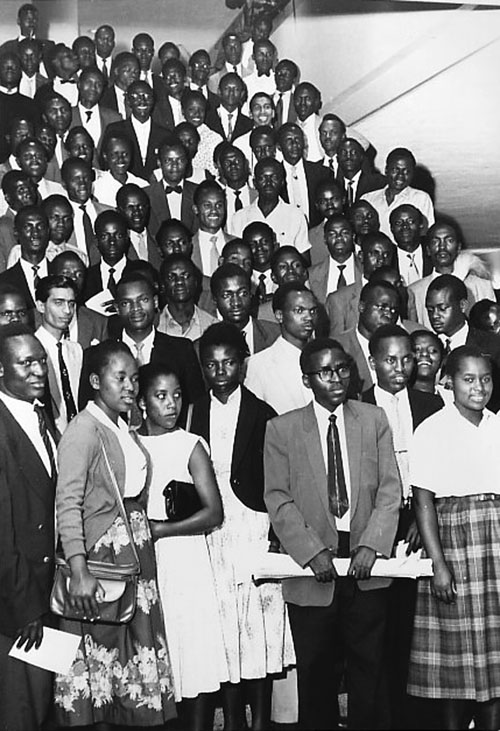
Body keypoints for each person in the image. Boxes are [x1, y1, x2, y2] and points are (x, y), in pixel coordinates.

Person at [264, 337, 401, 730]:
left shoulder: (372, 420)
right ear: (307, 380)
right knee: (316, 672)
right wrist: (311, 551)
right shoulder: (282, 429)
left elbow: (390, 489)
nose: (336, 378)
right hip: (313, 568)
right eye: (325, 372)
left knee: (369, 670)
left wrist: (371, 544)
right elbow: (278, 498)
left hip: (365, 563)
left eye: (342, 368)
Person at [53, 339, 177, 726]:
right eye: (119, 377)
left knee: (129, 679)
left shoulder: (121, 425)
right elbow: (67, 503)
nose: (129, 386)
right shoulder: (84, 429)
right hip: (102, 565)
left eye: (134, 378)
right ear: (94, 380)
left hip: (133, 562)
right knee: (99, 680)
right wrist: (80, 570)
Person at [191, 322, 295, 731]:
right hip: (210, 530)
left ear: (243, 365)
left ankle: (260, 721)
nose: (220, 371)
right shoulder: (193, 409)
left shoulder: (262, 413)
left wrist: (274, 532)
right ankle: (232, 719)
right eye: (211, 364)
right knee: (225, 630)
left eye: (229, 362)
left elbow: (274, 481)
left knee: (257, 632)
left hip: (251, 525)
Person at [408, 345, 500, 731]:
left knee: (496, 660)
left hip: (495, 539)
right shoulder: (433, 429)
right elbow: (424, 502)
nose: (478, 387)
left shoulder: (497, 425)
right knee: (456, 661)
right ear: (448, 381)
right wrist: (438, 565)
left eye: (485, 379)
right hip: (456, 542)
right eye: (468, 379)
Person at [362, 324, 443, 729]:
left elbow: (441, 472)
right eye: (390, 360)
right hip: (376, 529)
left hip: (419, 527)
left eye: (407, 359)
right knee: (377, 632)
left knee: (416, 634)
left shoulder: (430, 405)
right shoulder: (356, 407)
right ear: (372, 361)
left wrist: (420, 519)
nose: (401, 368)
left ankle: (418, 717)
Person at [137, 362, 226, 731]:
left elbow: (213, 513)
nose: (171, 404)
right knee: (161, 651)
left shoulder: (190, 445)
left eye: (176, 395)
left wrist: (163, 529)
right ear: (142, 403)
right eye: (160, 396)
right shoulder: (129, 443)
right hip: (147, 562)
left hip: (186, 559)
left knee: (195, 650)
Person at [0, 323, 56, 731]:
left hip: (45, 592)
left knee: (43, 710)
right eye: (26, 363)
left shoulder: (40, 416)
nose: (38, 370)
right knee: (21, 714)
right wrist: (26, 608)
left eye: (41, 360)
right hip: (17, 605)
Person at [425, 274, 500, 411]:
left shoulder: (492, 346)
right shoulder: (426, 346)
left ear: (462, 305)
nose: (435, 316)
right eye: (430, 310)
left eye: (442, 308)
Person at [245, 282, 318, 414]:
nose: (309, 317)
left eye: (312, 311)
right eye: (299, 311)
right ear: (279, 315)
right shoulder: (259, 365)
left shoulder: (323, 357)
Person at [408, 219, 495, 329]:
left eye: (449, 241)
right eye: (435, 242)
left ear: (458, 247)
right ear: (428, 250)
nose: (442, 247)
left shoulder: (481, 286)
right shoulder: (414, 292)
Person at [229, 157, 310, 259]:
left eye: (274, 178)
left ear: (282, 182)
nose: (268, 183)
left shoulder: (296, 215)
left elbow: (304, 260)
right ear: (254, 183)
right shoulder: (239, 218)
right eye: (263, 178)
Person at [35, 274, 82, 435]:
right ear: (41, 306)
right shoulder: (33, 350)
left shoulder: (75, 350)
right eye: (58, 303)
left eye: (71, 303)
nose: (67, 311)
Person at [326, 232, 396, 337]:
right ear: (361, 256)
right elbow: (338, 341)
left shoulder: (401, 293)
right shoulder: (339, 300)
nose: (381, 260)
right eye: (374, 254)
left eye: (386, 255)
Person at [336, 280, 401, 393]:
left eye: (393, 310)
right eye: (382, 308)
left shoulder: (400, 347)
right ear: (361, 307)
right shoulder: (339, 347)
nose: (389, 315)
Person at [103, 80, 171, 180]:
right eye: (136, 97)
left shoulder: (165, 134)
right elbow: (105, 163)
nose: (142, 101)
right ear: (128, 101)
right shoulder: (115, 130)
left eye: (147, 96)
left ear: (153, 100)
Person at [361, 147, 435, 240]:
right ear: (386, 170)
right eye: (395, 170)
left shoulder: (421, 198)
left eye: (406, 171)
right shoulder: (368, 199)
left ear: (413, 174)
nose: (400, 176)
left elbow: (426, 235)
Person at [210, 263, 280, 354]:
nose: (236, 303)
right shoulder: (205, 344)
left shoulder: (276, 335)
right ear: (214, 299)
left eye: (243, 293)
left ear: (251, 294)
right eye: (227, 295)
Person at [0, 204, 51, 326]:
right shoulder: (3, 281)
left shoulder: (61, 274)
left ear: (48, 231)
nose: (35, 233)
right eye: (28, 227)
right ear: (16, 233)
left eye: (40, 226)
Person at [48, 250, 109, 349]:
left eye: (79, 274)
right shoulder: (35, 320)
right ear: (52, 276)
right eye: (66, 273)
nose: (73, 279)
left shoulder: (99, 322)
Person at [278, 122, 333, 229]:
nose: (294, 144)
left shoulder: (321, 172)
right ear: (279, 146)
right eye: (289, 140)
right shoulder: (275, 177)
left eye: (298, 139)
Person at [145, 136, 198, 238]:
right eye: (168, 160)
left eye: (180, 160)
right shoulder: (146, 195)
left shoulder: (198, 193)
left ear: (187, 162)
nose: (175, 165)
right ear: (159, 163)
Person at [60, 157, 110, 265]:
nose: (82, 183)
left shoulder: (109, 213)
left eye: (86, 178)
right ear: (64, 184)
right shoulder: (60, 221)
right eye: (75, 179)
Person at [158, 253, 217, 340]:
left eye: (185, 276)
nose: (179, 282)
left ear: (196, 282)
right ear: (162, 285)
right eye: (171, 277)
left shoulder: (213, 326)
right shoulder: (153, 327)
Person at [308, 214, 364, 304]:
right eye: (332, 234)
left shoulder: (364, 270)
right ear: (325, 239)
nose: (339, 238)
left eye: (344, 233)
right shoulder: (311, 276)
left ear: (353, 237)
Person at [71, 67, 121, 155]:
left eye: (98, 84)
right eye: (89, 83)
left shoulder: (114, 118)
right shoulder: (67, 116)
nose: (93, 88)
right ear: (79, 84)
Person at [191, 180, 232, 276]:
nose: (214, 211)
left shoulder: (236, 244)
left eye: (219, 205)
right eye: (207, 205)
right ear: (196, 209)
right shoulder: (188, 248)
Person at [116, 183, 162, 270]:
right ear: (119, 211)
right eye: (130, 207)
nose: (137, 212)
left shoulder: (159, 240)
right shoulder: (115, 245)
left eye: (141, 206)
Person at [0, 170, 38, 271]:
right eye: (21, 191)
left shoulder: (39, 218)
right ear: (8, 198)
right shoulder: (5, 227)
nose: (28, 194)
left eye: (30, 188)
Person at [181, 89, 224, 177]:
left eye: (201, 109)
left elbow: (216, 172)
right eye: (191, 109)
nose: (197, 113)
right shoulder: (176, 134)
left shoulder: (214, 139)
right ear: (183, 111)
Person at [389, 204, 432, 286]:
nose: (405, 226)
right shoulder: (388, 259)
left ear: (421, 224)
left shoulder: (432, 252)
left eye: (410, 221)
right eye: (398, 223)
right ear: (392, 228)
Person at [337, 137, 385, 208]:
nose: (348, 157)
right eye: (344, 153)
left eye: (353, 153)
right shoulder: (334, 185)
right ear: (337, 158)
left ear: (361, 157)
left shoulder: (378, 183)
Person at [206, 73, 253, 143]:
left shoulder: (249, 124)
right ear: (219, 92)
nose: (231, 93)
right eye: (227, 88)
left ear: (242, 94)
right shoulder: (207, 120)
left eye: (236, 89)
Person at [308, 179, 345, 266]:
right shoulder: (311, 236)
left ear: (343, 200)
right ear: (316, 205)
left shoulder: (354, 228)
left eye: (334, 199)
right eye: (323, 201)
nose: (329, 205)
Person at [218, 143, 257, 227]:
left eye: (237, 161)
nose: (233, 166)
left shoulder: (258, 196)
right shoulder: (219, 199)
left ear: (245, 164)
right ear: (221, 169)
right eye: (227, 163)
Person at [100, 51, 140, 119]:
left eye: (136, 71)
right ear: (116, 71)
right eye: (128, 70)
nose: (133, 75)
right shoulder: (103, 97)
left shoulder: (141, 98)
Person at [409, 329, 445, 398]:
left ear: (442, 360)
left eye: (432, 351)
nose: (424, 354)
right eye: (417, 350)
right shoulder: (397, 400)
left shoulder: (451, 400)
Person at [293, 82, 323, 161]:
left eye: (308, 99)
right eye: (299, 99)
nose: (302, 103)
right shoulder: (290, 130)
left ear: (316, 102)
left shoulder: (325, 124)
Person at [273, 59, 299, 127]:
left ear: (294, 79)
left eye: (286, 74)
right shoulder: (266, 100)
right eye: (279, 73)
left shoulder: (298, 103)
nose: (281, 76)